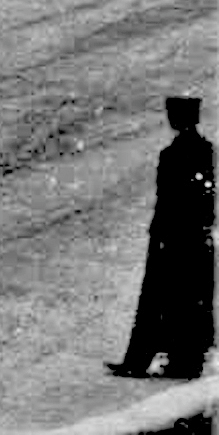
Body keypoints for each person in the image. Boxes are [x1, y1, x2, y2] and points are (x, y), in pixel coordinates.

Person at [109, 97, 215, 380]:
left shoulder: (173, 154)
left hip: (173, 236)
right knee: (189, 300)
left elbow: (170, 200)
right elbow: (206, 197)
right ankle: (184, 359)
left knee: (156, 300)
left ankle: (141, 360)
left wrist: (166, 234)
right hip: (192, 238)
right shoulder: (205, 151)